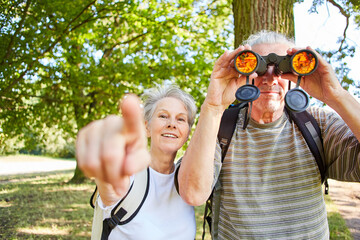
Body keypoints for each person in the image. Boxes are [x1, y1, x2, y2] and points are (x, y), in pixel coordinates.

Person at [177, 30, 360, 239]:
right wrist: (213, 107)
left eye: (282, 69)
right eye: (259, 68)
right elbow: (192, 193)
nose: (270, 78)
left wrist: (336, 95)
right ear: (243, 75)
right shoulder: (219, 127)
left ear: (295, 77)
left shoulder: (318, 124)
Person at [76, 86, 197, 239]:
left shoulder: (188, 180)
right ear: (146, 127)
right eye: (163, 116)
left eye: (181, 119)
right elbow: (110, 192)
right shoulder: (129, 173)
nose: (172, 124)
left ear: (187, 133)